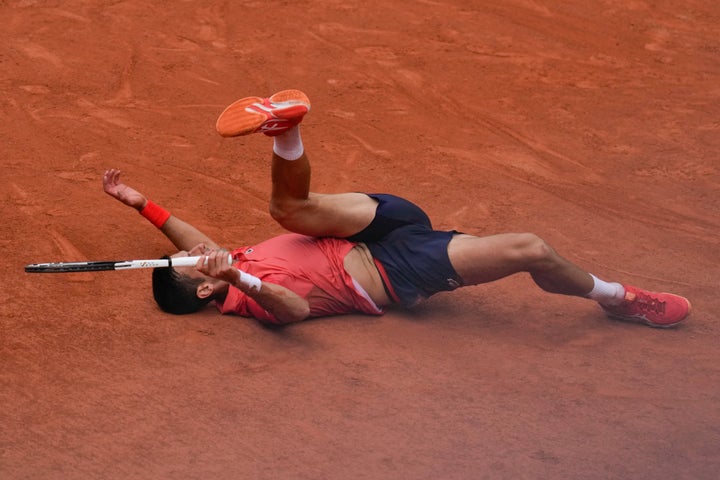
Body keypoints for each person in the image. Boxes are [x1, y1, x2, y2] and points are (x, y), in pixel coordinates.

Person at [102, 89, 691, 327]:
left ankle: (285, 131)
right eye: (195, 265)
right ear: (206, 291)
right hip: (397, 267)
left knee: (290, 211)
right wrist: (240, 276)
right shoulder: (253, 302)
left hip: (378, 224)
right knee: (529, 248)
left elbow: (195, 241)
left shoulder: (217, 263)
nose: (199, 253)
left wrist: (142, 206)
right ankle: (617, 300)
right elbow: (293, 311)